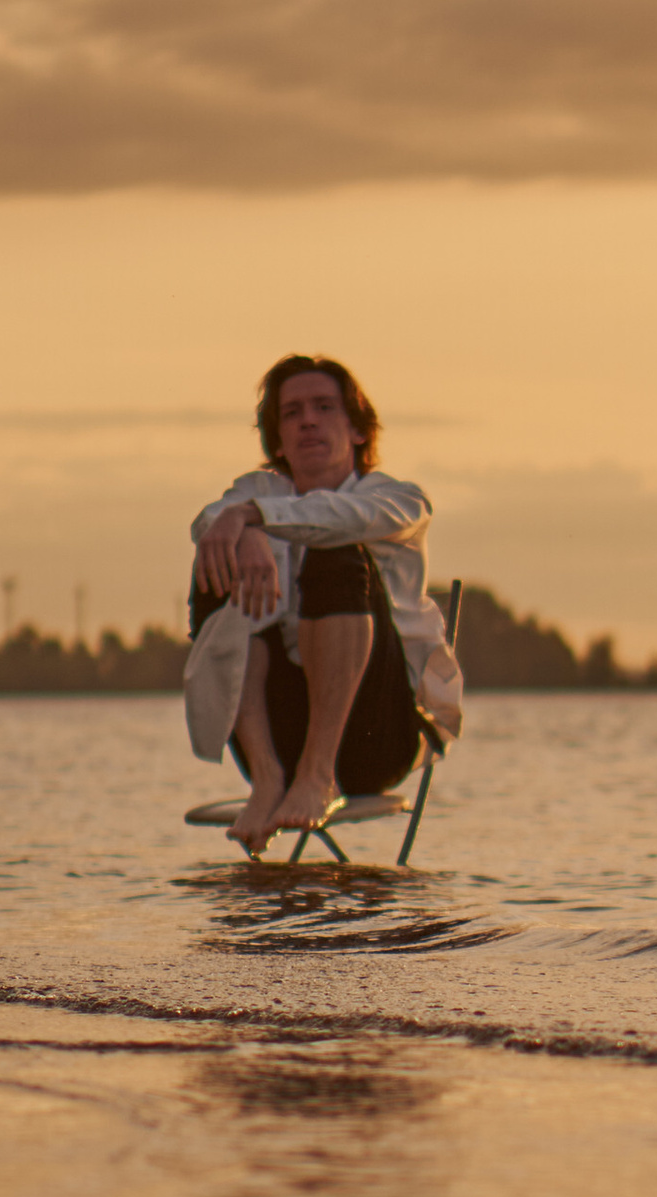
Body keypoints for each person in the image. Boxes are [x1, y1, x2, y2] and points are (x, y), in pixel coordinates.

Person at [185, 354, 462, 854]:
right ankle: (268, 778)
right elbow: (208, 521)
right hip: (278, 737)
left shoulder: (399, 499)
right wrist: (239, 531)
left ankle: (319, 773)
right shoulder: (257, 491)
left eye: (324, 408)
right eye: (292, 413)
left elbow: (338, 518)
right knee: (215, 566)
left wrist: (250, 520)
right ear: (279, 438)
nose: (307, 420)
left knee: (335, 554)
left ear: (357, 429)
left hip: (378, 736)